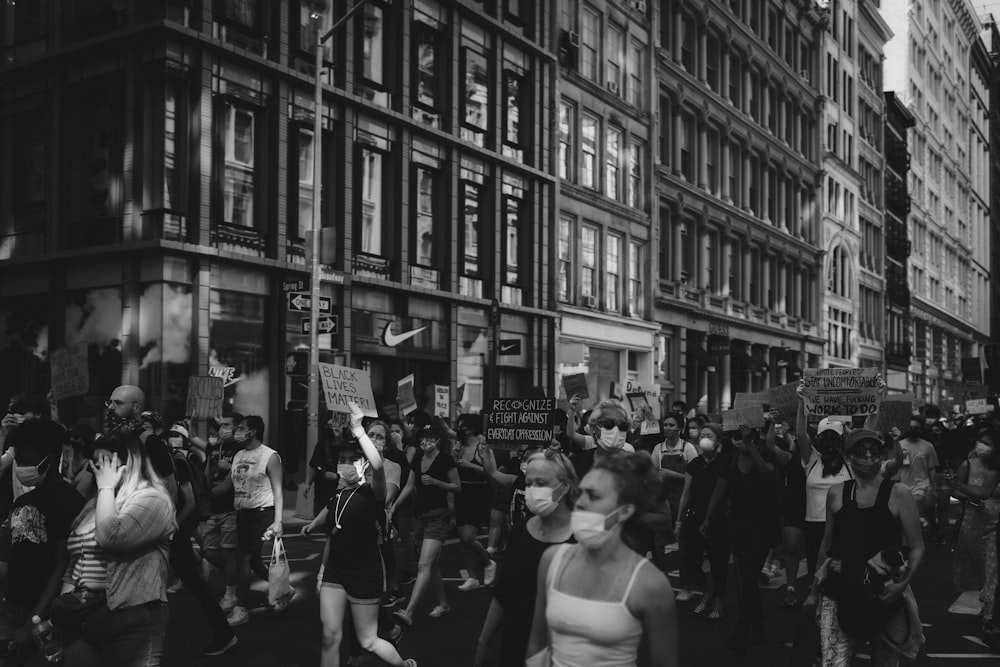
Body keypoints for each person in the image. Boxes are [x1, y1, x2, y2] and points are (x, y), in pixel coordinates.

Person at [525, 450, 678, 667]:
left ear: (624, 511)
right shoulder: (552, 560)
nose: (580, 503)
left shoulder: (651, 584)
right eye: (582, 493)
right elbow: (537, 642)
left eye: (594, 496)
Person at [301, 403, 417, 667]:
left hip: (365, 572)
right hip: (336, 571)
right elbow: (332, 512)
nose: (344, 465)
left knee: (368, 640)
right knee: (330, 637)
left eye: (350, 460)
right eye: (340, 460)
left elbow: (378, 467)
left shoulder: (372, 493)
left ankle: (403, 665)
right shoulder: (341, 492)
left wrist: (357, 429)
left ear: (363, 464)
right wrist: (314, 525)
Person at [806, 429, 925, 667]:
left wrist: (902, 584)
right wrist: (814, 591)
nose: (869, 457)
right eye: (862, 452)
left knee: (885, 662)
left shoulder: (899, 493)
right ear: (849, 457)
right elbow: (826, 545)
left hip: (885, 592)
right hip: (839, 587)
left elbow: (917, 547)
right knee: (833, 662)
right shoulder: (837, 493)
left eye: (875, 451)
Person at [62, 433, 177, 666]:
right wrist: (64, 602)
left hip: (132, 614)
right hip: (87, 613)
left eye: (105, 462)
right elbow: (76, 556)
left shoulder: (153, 499)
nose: (98, 470)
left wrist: (105, 488)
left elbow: (111, 537)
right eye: (95, 463)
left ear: (130, 463)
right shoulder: (99, 502)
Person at [474, 447, 578, 667]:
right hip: (517, 642)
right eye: (529, 484)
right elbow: (504, 592)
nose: (533, 490)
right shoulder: (521, 530)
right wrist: (484, 642)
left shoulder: (582, 538)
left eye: (541, 484)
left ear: (565, 487)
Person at [0, 420, 85, 665]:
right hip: (12, 606)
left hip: (43, 613)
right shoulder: (24, 501)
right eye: (18, 461)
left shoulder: (67, 501)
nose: (21, 467)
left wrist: (36, 620)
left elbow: (63, 564)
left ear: (51, 458)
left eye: (28, 460)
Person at [703, 425, 779, 655]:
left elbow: (766, 474)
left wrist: (752, 447)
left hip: (762, 528)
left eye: (743, 438)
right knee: (747, 582)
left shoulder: (765, 454)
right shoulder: (731, 460)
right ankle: (758, 629)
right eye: (736, 438)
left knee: (749, 579)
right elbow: (720, 490)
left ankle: (741, 632)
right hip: (739, 528)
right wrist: (707, 518)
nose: (739, 442)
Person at [164, 424, 237, 656]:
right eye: (171, 435)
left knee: (196, 580)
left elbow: (190, 499)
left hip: (179, 528)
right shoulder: (173, 456)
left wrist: (173, 526)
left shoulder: (180, 460)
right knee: (194, 572)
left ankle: (224, 629)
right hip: (175, 528)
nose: (173, 439)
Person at [212, 415, 283, 627]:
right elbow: (230, 483)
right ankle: (283, 589)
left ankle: (240, 609)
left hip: (261, 513)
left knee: (243, 558)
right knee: (252, 561)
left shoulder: (270, 456)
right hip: (242, 514)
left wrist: (277, 521)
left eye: (241, 428)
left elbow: (278, 491)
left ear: (252, 432)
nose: (237, 431)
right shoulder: (239, 454)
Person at [390, 423, 459, 627]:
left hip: (439, 518)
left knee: (423, 565)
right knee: (432, 564)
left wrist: (437, 482)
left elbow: (457, 487)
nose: (425, 442)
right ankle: (444, 604)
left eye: (429, 438)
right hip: (420, 518)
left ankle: (408, 612)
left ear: (438, 440)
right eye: (422, 439)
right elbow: (410, 485)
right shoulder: (419, 459)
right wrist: (394, 506)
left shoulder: (445, 459)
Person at [673, 424, 729, 618]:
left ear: (718, 441)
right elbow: (686, 494)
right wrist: (679, 521)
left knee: (718, 561)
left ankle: (719, 601)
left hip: (718, 518)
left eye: (709, 435)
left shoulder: (724, 463)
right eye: (703, 435)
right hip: (694, 516)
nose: (705, 438)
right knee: (690, 557)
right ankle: (706, 591)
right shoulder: (694, 464)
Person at [948, 432, 1000, 628]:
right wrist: (967, 494)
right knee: (976, 563)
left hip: (994, 522)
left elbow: (985, 492)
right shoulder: (967, 465)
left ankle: (990, 608)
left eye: (989, 443)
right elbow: (956, 492)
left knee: (992, 565)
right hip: (974, 519)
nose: (983, 446)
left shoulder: (996, 468)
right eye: (982, 442)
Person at [200, 413, 242, 612]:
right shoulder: (215, 447)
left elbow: (233, 480)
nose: (222, 428)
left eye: (227, 424)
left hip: (230, 509)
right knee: (209, 551)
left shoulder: (240, 450)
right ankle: (235, 573)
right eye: (221, 425)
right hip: (214, 509)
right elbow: (207, 471)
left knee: (228, 553)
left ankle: (230, 595)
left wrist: (209, 494)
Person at [452, 414, 497, 591]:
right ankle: (472, 577)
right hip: (461, 493)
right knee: (462, 539)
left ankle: (487, 562)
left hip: (477, 493)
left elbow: (490, 472)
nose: (458, 428)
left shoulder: (482, 447)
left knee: (468, 537)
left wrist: (471, 466)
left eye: (461, 425)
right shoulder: (460, 447)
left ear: (470, 428)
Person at [649, 413, 697, 570]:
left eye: (671, 425)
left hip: (684, 498)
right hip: (664, 500)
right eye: (665, 425)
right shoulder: (658, 449)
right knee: (658, 542)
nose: (667, 428)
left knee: (684, 542)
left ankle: (686, 581)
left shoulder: (688, 448)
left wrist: (672, 474)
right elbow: (651, 473)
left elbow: (697, 477)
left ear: (680, 428)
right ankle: (659, 576)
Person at [895, 417, 940, 532]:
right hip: (904, 484)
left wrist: (934, 488)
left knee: (917, 507)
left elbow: (931, 468)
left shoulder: (928, 446)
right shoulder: (899, 445)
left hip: (922, 483)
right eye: (910, 427)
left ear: (920, 429)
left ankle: (926, 531)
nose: (912, 429)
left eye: (915, 428)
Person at [305, 417, 347, 517]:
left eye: (338, 425)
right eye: (330, 426)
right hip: (322, 490)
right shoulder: (322, 444)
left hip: (340, 491)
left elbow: (354, 469)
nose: (334, 428)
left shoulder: (347, 446)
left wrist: (337, 476)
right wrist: (308, 484)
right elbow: (313, 464)